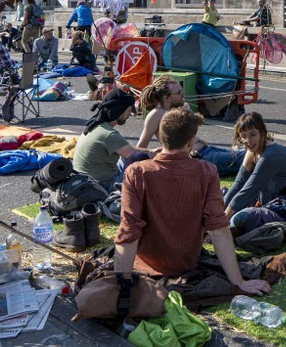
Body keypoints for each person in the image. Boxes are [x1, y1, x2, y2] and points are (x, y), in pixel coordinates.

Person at [113, 108, 272, 295]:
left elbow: (128, 230)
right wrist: (238, 281)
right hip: (186, 263)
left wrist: (120, 288)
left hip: (145, 263)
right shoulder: (206, 171)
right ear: (190, 142)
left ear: (161, 138)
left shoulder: (137, 171)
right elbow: (218, 230)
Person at [225, 112, 286, 218]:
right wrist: (218, 213)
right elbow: (238, 184)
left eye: (253, 134)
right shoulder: (252, 150)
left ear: (262, 133)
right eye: (244, 136)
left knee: (241, 218)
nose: (248, 141)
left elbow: (249, 190)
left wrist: (222, 219)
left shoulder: (269, 155)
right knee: (223, 202)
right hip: (272, 192)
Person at [73, 88, 149, 191]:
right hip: (102, 186)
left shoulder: (95, 126)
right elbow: (137, 157)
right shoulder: (109, 135)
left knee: (125, 157)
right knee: (142, 163)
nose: (129, 115)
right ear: (121, 111)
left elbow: (127, 149)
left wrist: (153, 151)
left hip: (82, 181)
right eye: (129, 110)